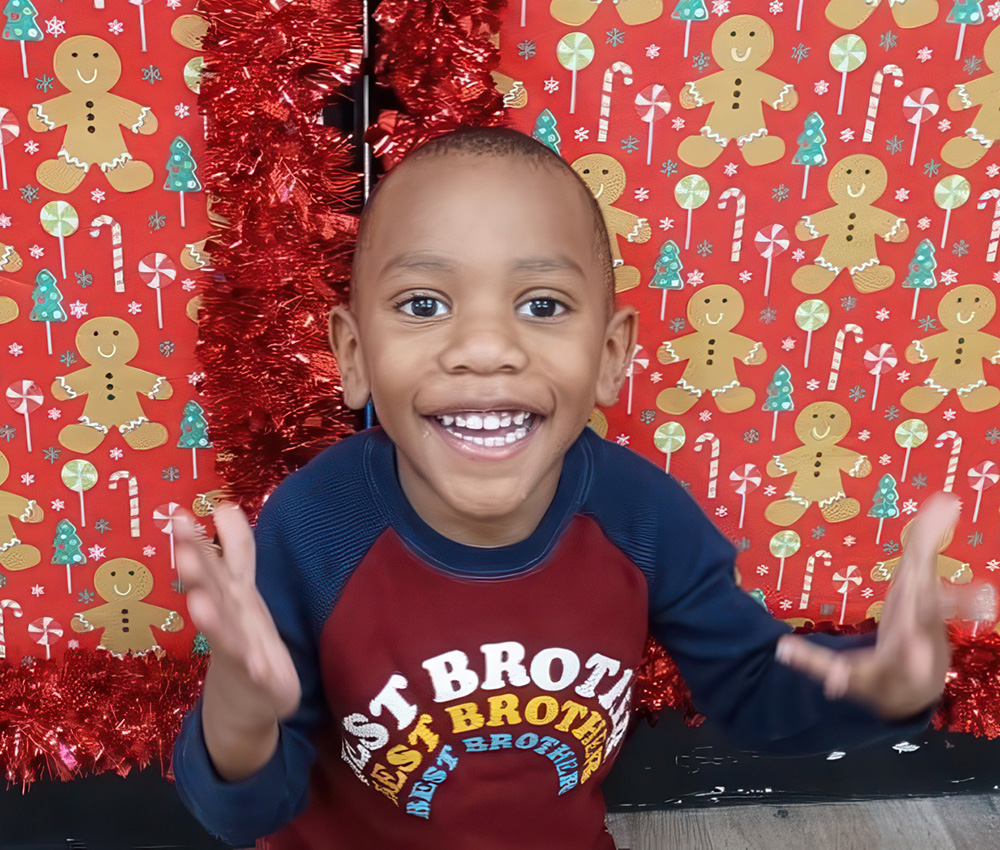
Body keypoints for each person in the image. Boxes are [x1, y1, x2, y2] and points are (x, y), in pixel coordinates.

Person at [170, 126, 958, 850]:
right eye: (423, 304)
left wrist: (880, 686)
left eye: (541, 305)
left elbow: (752, 689)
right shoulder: (313, 528)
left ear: (611, 355)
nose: (484, 348)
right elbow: (248, 814)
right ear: (352, 355)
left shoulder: (645, 519)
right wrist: (240, 717)